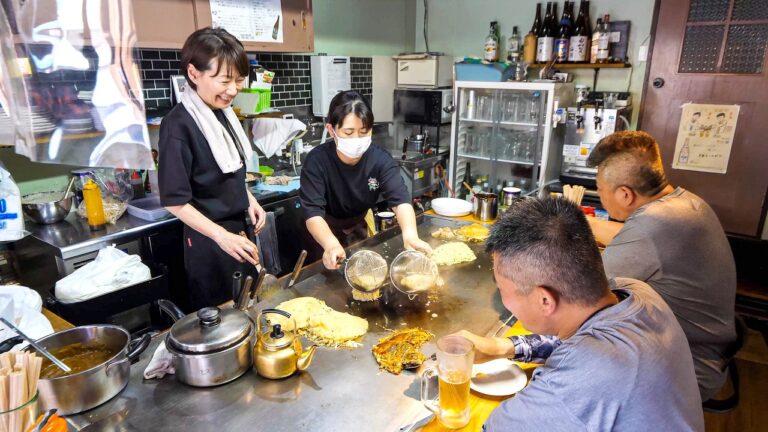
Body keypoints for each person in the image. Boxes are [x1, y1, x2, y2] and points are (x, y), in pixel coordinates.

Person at [455, 197, 704, 431]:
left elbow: (496, 426)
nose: (503, 299)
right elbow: (573, 343)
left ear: (545, 300)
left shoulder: (567, 390)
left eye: (501, 288)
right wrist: (502, 347)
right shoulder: (637, 293)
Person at [585, 130, 736, 401]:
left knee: (569, 360)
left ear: (625, 195)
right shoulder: (685, 202)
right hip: (708, 350)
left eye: (599, 189)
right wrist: (586, 223)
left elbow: (586, 288)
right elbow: (629, 236)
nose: (599, 194)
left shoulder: (654, 224)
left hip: (687, 369)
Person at [158, 28, 266, 311]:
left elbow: (226, 170)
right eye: (224, 80)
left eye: (239, 80)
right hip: (209, 241)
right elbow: (174, 201)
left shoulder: (222, 113)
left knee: (250, 308)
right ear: (194, 73)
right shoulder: (178, 125)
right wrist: (220, 236)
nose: (233, 90)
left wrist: (249, 200)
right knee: (223, 319)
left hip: (237, 232)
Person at [299, 90, 431, 269]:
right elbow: (313, 213)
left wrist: (410, 235)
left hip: (358, 227)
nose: (357, 139)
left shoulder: (379, 159)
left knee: (363, 272)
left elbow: (400, 201)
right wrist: (330, 244)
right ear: (331, 130)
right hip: (322, 233)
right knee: (325, 279)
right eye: (348, 132)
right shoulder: (317, 161)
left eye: (363, 131)